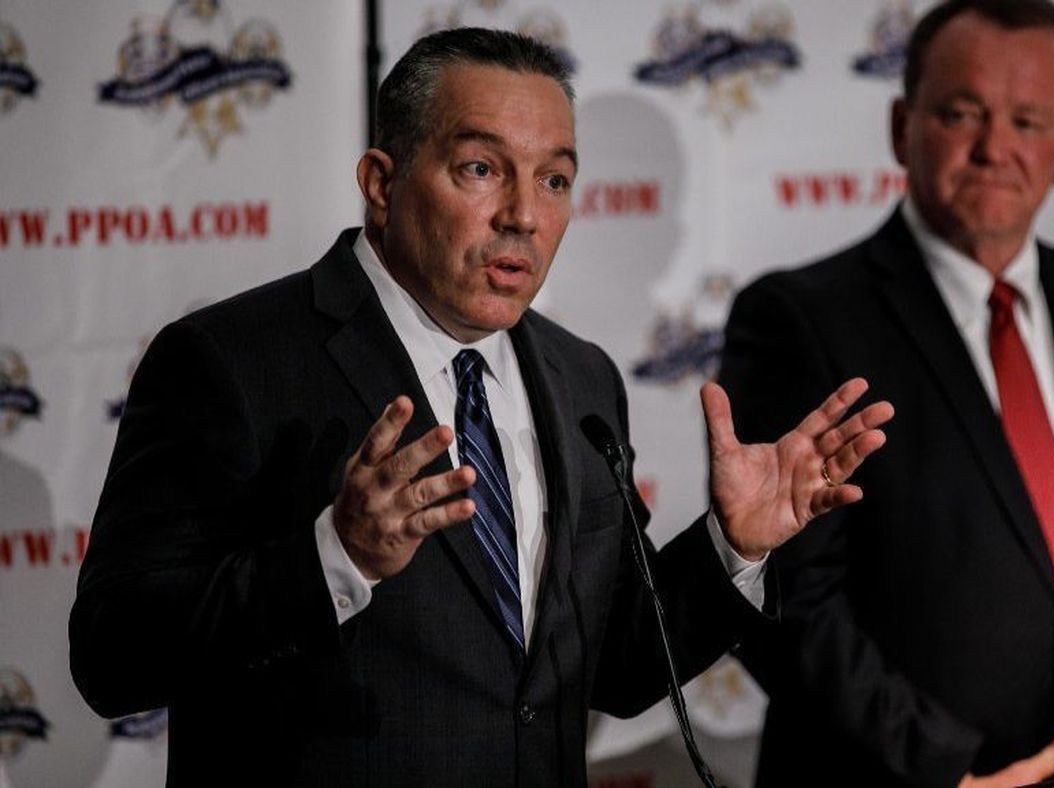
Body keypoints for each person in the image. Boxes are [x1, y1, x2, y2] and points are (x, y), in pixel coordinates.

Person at [69, 28, 892, 787]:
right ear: (382, 183)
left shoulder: (583, 380)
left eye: (555, 179)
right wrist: (334, 557)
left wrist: (729, 548)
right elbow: (112, 658)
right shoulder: (229, 361)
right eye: (481, 169)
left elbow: (615, 667)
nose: (524, 216)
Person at [717, 1, 1054, 785]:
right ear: (903, 126)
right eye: (963, 113)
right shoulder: (801, 320)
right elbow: (788, 604)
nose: (996, 148)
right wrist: (949, 771)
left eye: (1029, 122)